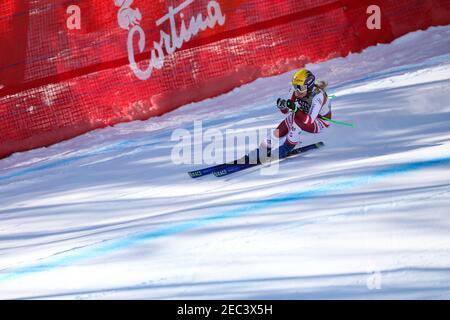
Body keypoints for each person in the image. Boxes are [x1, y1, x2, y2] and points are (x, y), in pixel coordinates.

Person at [262, 68, 332, 159]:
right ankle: (266, 145)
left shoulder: (318, 96)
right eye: (295, 86)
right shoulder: (295, 90)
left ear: (309, 86)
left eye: (301, 88)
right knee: (291, 118)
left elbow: (309, 120)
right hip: (305, 116)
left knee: (297, 120)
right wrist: (282, 106)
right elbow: (286, 111)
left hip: (320, 122)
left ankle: (286, 148)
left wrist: (295, 108)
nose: (297, 91)